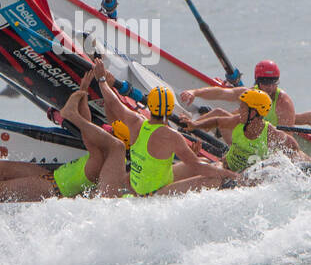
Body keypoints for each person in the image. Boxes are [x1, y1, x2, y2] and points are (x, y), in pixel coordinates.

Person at [0, 66, 129, 201]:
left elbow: (86, 130)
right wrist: (83, 91)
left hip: (52, 190)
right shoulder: (101, 152)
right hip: (52, 177)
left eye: (110, 133)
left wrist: (74, 113)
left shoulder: (100, 158)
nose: (105, 132)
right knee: (1, 167)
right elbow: (88, 124)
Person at [95, 66, 230, 196]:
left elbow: (113, 102)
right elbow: (196, 166)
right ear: (171, 109)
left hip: (140, 187)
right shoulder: (172, 136)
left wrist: (102, 81)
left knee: (205, 162)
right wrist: (231, 175)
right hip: (153, 194)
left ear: (150, 106)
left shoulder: (136, 121)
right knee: (214, 179)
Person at [189, 88, 304, 174]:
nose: (239, 110)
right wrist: (195, 125)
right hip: (225, 168)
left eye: (242, 108)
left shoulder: (271, 134)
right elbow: (218, 121)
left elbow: (294, 147)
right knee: (199, 165)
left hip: (245, 179)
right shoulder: (238, 121)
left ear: (253, 112)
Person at [179, 60, 296, 127]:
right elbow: (221, 93)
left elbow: (285, 138)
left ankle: (193, 126)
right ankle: (190, 126)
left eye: (273, 83)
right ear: (257, 81)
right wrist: (194, 92)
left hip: (260, 141)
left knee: (223, 116)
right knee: (218, 112)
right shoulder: (252, 93)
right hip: (247, 134)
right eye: (266, 83)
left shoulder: (284, 103)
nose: (270, 87)